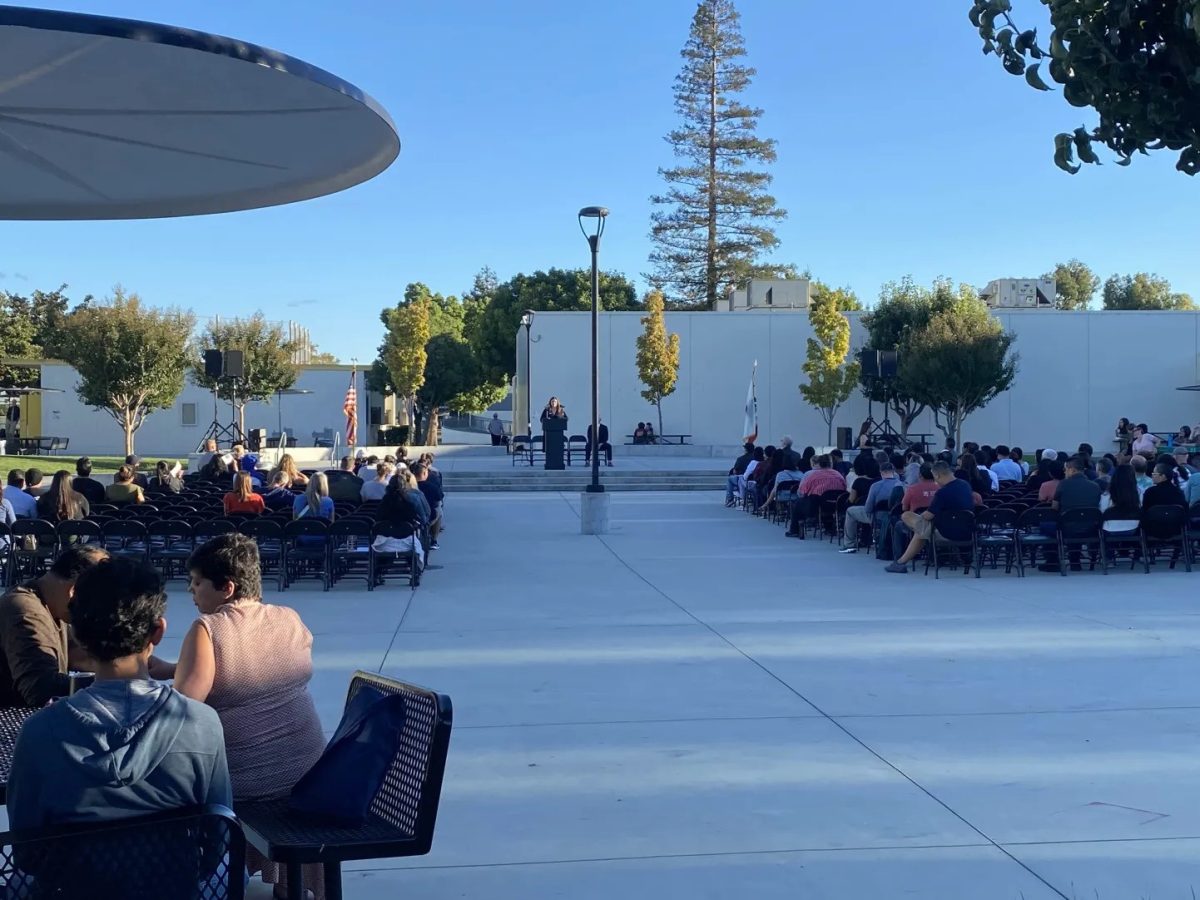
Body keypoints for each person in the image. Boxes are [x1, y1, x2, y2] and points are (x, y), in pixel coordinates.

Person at [6, 556, 231, 836]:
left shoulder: (39, 732)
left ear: (76, 632)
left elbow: (27, 850)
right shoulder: (202, 723)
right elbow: (218, 837)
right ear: (158, 631)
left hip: (72, 880)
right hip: (174, 878)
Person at [166, 535, 324, 898]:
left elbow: (184, 707)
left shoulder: (209, 628)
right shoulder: (288, 618)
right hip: (308, 771)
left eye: (197, 582)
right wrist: (172, 668)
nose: (191, 591)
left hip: (250, 784)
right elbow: (252, 668)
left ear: (227, 588)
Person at [0, 546, 109, 707]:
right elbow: (41, 689)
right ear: (73, 591)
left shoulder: (54, 604)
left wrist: (134, 661)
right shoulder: (26, 610)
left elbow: (77, 653)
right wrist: (111, 685)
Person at [885, 461, 974, 573]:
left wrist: (918, 516)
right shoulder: (965, 485)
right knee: (922, 530)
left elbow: (928, 516)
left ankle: (900, 563)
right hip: (967, 531)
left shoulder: (942, 493)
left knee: (909, 518)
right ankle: (900, 562)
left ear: (937, 475)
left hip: (945, 533)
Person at [840, 461, 900, 553]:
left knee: (850, 511)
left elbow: (868, 508)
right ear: (894, 472)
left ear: (881, 472)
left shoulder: (875, 486)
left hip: (877, 517)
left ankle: (849, 544)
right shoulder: (902, 485)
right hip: (896, 517)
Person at [784, 454, 846, 538]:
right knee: (826, 500)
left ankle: (795, 530)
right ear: (831, 464)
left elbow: (801, 492)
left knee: (798, 503)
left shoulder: (813, 475)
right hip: (837, 505)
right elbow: (844, 489)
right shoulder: (838, 475)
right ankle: (829, 528)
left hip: (816, 506)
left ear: (819, 463)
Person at [411, 462, 444, 550]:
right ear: (425, 473)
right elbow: (439, 498)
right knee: (439, 511)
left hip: (411, 517)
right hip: (428, 517)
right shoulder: (432, 487)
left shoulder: (409, 488)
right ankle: (434, 540)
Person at [1100, 463, 1141, 533]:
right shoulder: (1139, 493)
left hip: (1109, 530)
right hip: (1133, 530)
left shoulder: (1106, 495)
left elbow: (1102, 511)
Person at [725, 442, 756, 506]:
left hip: (742, 478)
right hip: (754, 479)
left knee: (729, 479)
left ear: (746, 450)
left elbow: (735, 471)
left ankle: (730, 499)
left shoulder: (741, 459)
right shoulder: (756, 458)